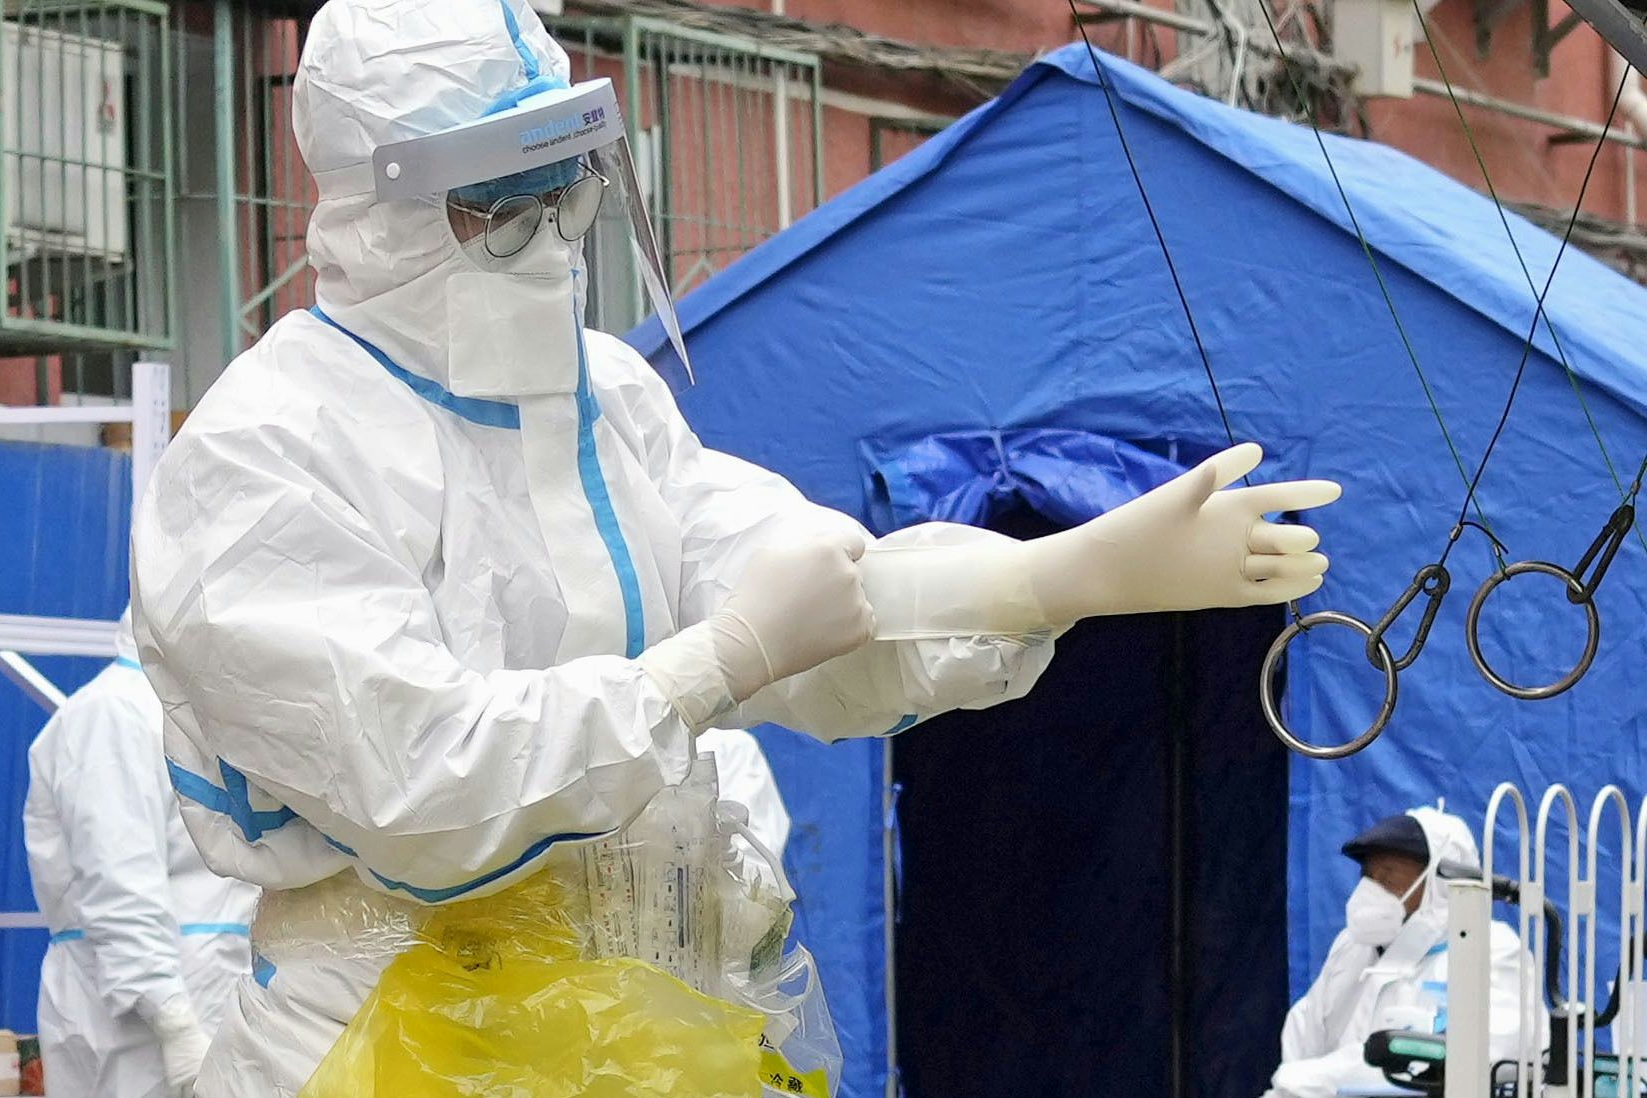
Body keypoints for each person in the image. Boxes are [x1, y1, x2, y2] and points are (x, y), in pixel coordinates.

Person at [127, 2, 1341, 1094]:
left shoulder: (600, 396)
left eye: (568, 179)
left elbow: (798, 585)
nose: (553, 235)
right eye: (498, 200)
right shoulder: (268, 453)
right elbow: (424, 785)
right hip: (381, 1046)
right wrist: (714, 664)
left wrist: (1055, 577)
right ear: (377, 208)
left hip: (654, 1031)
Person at [23, 611, 261, 1098]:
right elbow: (119, 884)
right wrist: (174, 1022)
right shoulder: (113, 716)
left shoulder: (192, 720)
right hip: (139, 1022)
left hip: (206, 995)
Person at [1264, 806, 1541, 1098]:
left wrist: (1312, 1081)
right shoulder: (1353, 947)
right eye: (1368, 877)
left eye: (1387, 879)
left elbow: (1474, 1059)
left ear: (1439, 884)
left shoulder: (1489, 950)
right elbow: (1305, 1034)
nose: (1369, 892)